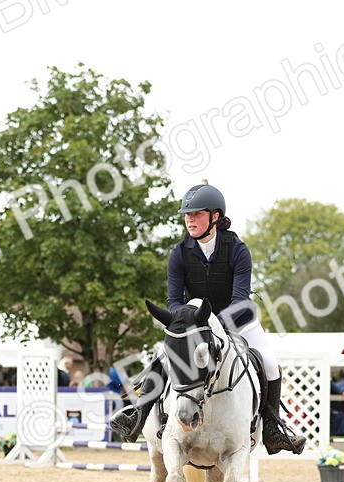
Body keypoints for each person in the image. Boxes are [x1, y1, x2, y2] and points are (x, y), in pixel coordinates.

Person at [109, 184, 306, 454]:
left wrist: (215, 324)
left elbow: (239, 299)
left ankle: (273, 428)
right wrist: (187, 322)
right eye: (187, 215)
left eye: (196, 214)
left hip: (239, 319)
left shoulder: (237, 249)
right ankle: (138, 414)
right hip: (194, 323)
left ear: (215, 216)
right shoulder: (179, 252)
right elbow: (174, 300)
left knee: (270, 364)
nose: (189, 219)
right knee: (163, 356)